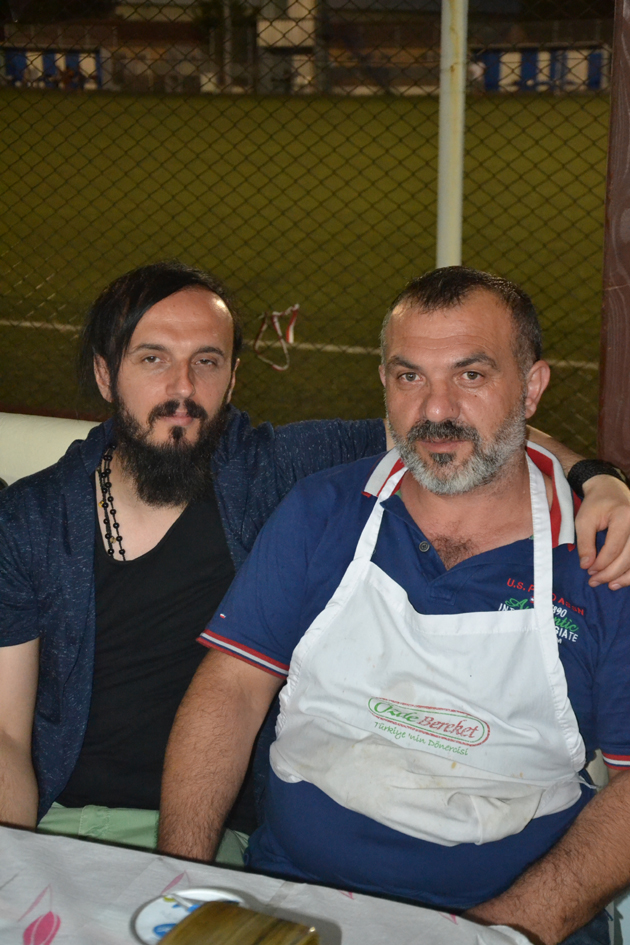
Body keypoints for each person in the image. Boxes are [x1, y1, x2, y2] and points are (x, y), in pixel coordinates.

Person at [0, 261, 627, 863]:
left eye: (206, 362)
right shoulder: (31, 520)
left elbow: (462, 428)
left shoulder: (276, 470)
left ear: (233, 378)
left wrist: (599, 480)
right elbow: (5, 736)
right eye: (153, 359)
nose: (183, 389)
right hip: (60, 819)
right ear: (106, 375)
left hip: (218, 832)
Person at [159, 266, 630, 945]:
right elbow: (230, 691)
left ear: (531, 387)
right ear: (384, 381)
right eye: (411, 376)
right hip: (295, 898)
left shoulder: (602, 557)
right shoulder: (324, 509)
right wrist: (179, 881)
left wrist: (502, 929)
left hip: (514, 920)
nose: (435, 410)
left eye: (471, 375)